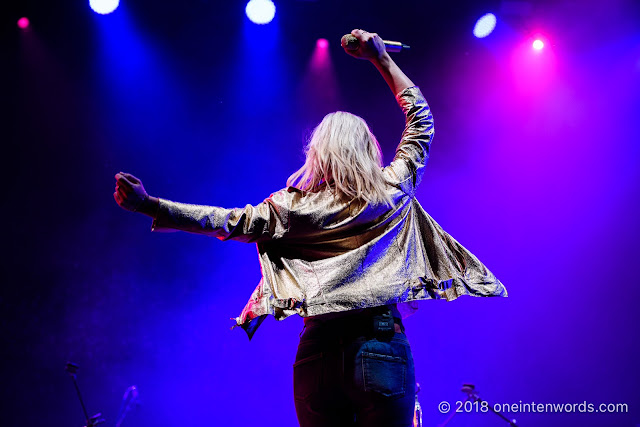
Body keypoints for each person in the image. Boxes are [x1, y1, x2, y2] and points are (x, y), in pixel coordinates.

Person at [114, 29, 507, 427]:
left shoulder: (291, 208)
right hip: (380, 344)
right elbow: (421, 120)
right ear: (369, 149)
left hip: (316, 351)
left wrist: (151, 204)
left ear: (316, 154)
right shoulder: (390, 190)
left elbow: (226, 221)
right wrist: (380, 59)